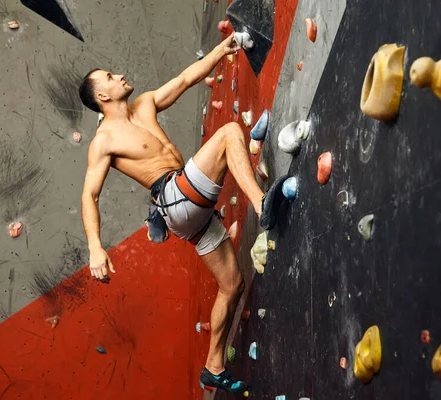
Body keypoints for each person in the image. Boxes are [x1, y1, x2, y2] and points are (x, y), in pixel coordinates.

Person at [78, 33, 287, 394]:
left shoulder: (144, 104)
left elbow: (187, 78)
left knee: (232, 285)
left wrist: (223, 50)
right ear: (102, 97)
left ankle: (213, 365)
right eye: (110, 77)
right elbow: (89, 194)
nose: (119, 76)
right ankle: (260, 203)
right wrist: (95, 247)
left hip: (187, 205)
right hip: (174, 197)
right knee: (229, 135)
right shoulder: (105, 141)